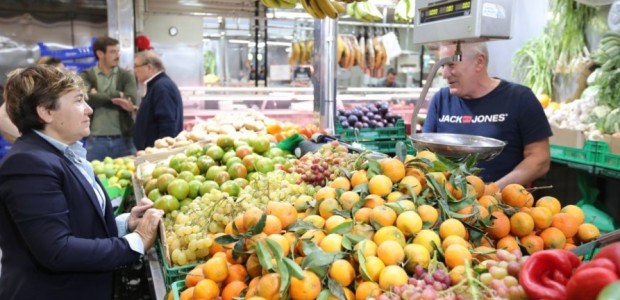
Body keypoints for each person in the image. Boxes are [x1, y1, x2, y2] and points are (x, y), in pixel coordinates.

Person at [0, 64, 163, 299]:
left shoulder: (64, 152)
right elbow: (57, 250)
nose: (88, 110)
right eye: (78, 101)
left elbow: (74, 223)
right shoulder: (28, 164)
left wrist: (124, 225)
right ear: (46, 111)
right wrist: (135, 242)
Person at [422, 42, 552, 189]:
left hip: (503, 206)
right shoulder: (441, 100)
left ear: (479, 62)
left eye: (451, 65)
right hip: (447, 202)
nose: (444, 74)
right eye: (442, 66)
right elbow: (425, 154)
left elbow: (539, 159)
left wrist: (492, 191)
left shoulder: (519, 98)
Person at [81, 36, 138, 161]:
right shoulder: (87, 75)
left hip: (123, 139)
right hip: (95, 139)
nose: (117, 56)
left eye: (118, 52)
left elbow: (131, 100)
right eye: (113, 52)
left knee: (128, 176)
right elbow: (85, 99)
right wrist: (118, 95)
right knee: (93, 176)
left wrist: (97, 96)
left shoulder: (126, 76)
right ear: (100, 54)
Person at [0, 56, 65, 143]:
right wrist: (28, 138)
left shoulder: (50, 91)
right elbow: (2, 116)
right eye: (60, 70)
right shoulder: (28, 87)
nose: (64, 73)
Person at [132, 50, 184, 150]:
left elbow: (167, 123)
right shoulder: (156, 85)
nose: (135, 71)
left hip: (156, 154)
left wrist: (162, 151)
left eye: (136, 66)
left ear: (149, 67)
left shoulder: (162, 87)